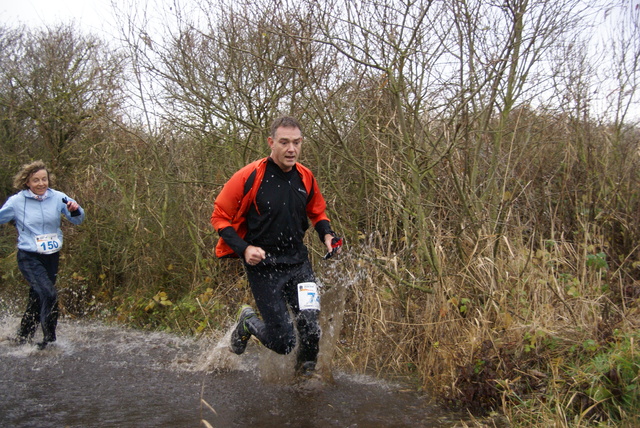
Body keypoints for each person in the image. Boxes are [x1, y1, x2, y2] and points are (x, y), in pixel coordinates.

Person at [211, 116, 341, 378]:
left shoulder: (306, 177)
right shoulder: (249, 176)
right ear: (271, 143)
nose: (291, 149)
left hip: (299, 266)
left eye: (296, 142)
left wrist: (327, 235)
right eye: (284, 142)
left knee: (311, 329)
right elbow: (219, 216)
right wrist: (244, 249)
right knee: (283, 342)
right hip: (264, 268)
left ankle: (303, 384)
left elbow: (318, 213)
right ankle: (248, 322)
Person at [0, 160, 85, 349]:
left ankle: (23, 336)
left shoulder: (58, 197)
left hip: (52, 256)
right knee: (49, 293)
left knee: (38, 297)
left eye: (44, 179)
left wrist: (75, 210)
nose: (41, 184)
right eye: (36, 180)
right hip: (29, 256)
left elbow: (79, 219)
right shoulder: (17, 201)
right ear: (27, 182)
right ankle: (49, 340)